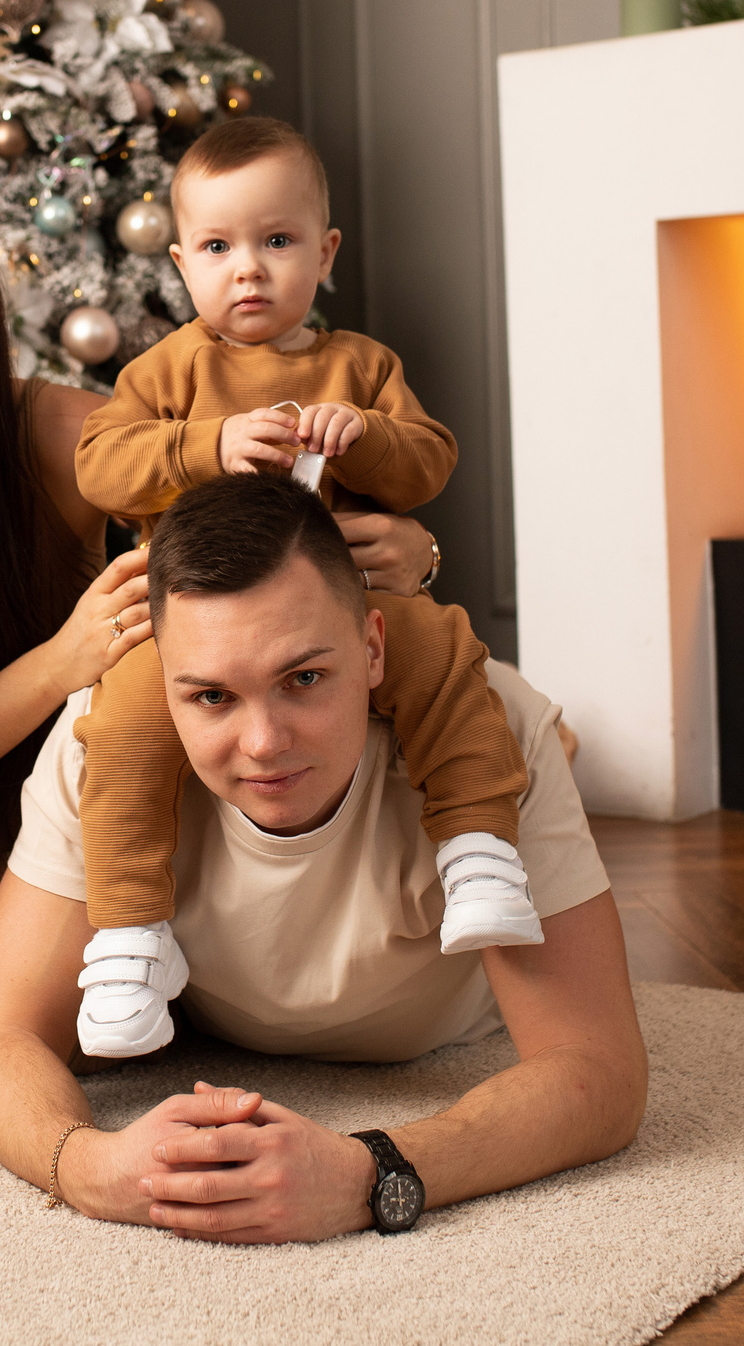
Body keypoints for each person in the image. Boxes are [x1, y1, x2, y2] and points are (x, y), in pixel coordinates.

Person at [0, 164, 443, 1092]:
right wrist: (62, 662)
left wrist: (409, 551)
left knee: (274, 968)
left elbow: (270, 534)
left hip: (87, 811)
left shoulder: (62, 431)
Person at [0, 473, 646, 1241]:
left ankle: (566, 761)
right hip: (222, 1025)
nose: (264, 743)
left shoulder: (494, 729)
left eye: (303, 678)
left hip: (447, 1027)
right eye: (212, 696)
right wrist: (91, 1167)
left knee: (536, 758)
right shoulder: (107, 739)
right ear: (163, 684)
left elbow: (601, 1073)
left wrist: (369, 1171)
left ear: (374, 647)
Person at [64, 118, 540, 1059]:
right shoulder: (168, 371)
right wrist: (209, 446)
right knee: (121, 718)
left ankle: (480, 851)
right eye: (218, 247)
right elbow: (98, 466)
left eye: (276, 241)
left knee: (444, 654)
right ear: (180, 263)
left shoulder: (360, 366)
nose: (248, 268)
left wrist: (366, 433)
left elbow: (431, 462)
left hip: (344, 608)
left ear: (323, 254)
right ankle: (127, 937)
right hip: (195, 629)